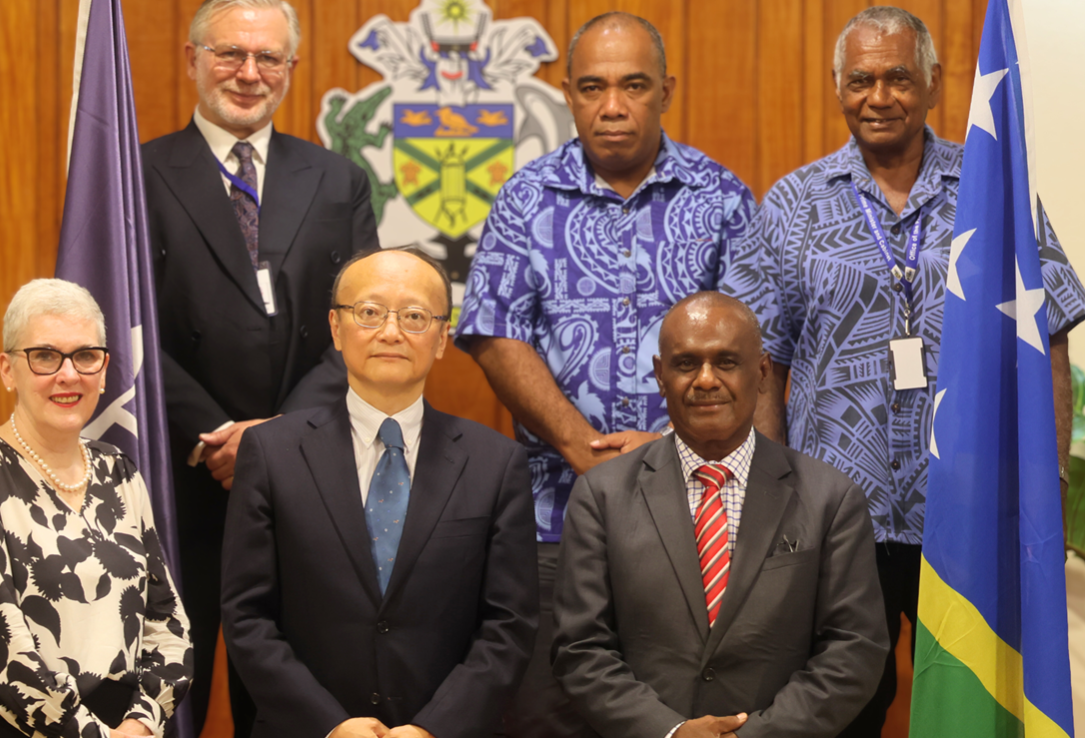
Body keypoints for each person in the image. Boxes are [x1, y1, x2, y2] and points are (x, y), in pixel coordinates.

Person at [719, 7, 1085, 734]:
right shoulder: (793, 203)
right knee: (842, 704)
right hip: (833, 513)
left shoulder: (994, 188)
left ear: (933, 84)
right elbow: (764, 360)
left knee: (976, 697)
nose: (879, 96)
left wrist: (1049, 475)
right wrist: (770, 485)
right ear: (838, 88)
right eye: (860, 79)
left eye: (897, 78)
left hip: (971, 505)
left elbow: (1047, 339)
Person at [453, 12, 756, 736]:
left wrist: (668, 459)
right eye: (592, 87)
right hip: (557, 514)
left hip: (697, 518)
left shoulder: (722, 198)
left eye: (633, 86)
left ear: (666, 91)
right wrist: (582, 448)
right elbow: (494, 333)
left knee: (679, 708)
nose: (612, 106)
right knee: (548, 708)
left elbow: (752, 351)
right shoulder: (526, 197)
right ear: (567, 93)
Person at [141, 0, 379, 728]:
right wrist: (218, 435)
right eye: (229, 53)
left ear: (291, 69)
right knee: (164, 693)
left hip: (301, 484)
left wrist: (271, 438)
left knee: (283, 703)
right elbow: (120, 330)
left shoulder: (338, 182)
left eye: (268, 58)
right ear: (191, 59)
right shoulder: (134, 174)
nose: (249, 73)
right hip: (178, 480)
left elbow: (362, 325)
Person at [221, 249, 537, 738]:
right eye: (369, 313)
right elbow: (247, 615)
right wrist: (329, 724)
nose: (391, 332)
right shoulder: (271, 452)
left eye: (414, 317)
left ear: (441, 338)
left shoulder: (496, 463)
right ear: (336, 327)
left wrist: (435, 727)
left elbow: (509, 625)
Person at [553, 292, 888, 738]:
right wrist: (670, 732)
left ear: (763, 372)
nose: (706, 380)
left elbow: (854, 649)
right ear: (660, 376)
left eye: (727, 362)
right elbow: (580, 648)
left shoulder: (831, 498)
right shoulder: (602, 495)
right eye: (686, 363)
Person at [0, 279, 192, 738]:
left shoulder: (118, 471)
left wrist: (141, 723)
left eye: (86, 355)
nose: (68, 374)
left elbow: (168, 622)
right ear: (8, 370)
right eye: (45, 356)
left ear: (105, 370)